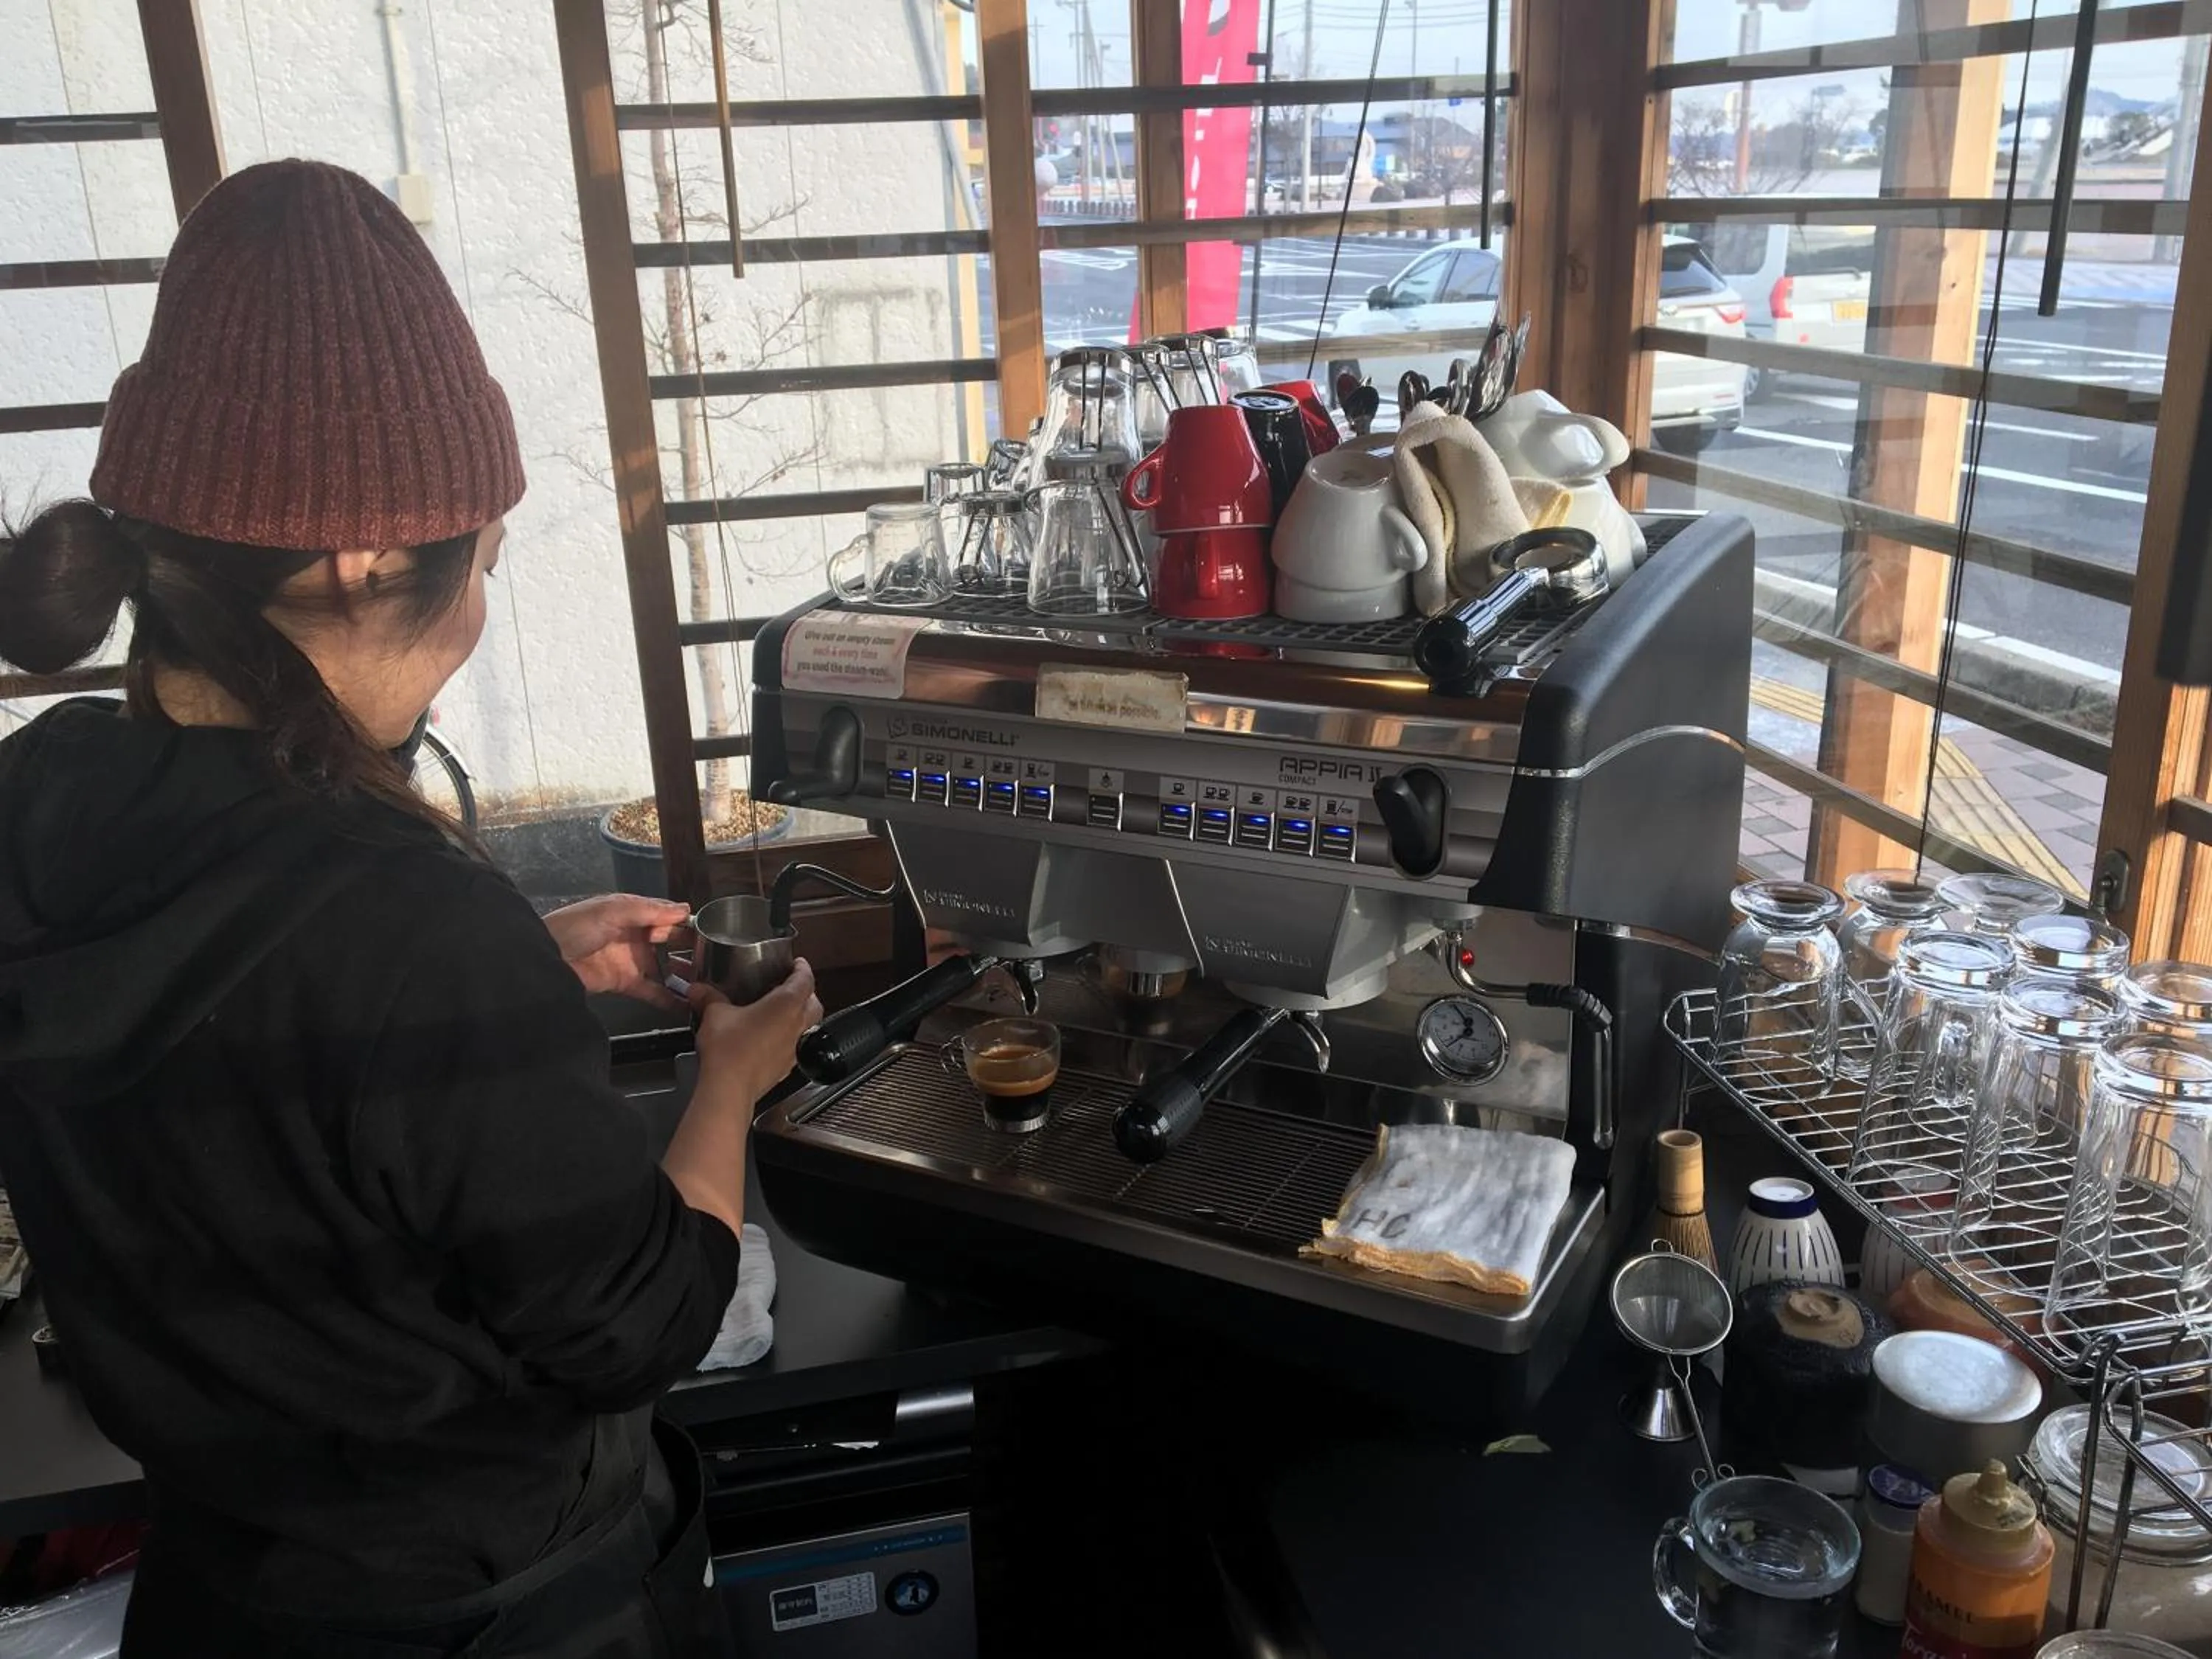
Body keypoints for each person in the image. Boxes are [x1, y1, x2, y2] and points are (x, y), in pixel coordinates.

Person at [0, 160, 819, 1655]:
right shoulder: (402, 928)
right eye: (483, 558)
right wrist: (730, 1082)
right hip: (486, 1621)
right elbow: (639, 1321)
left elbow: (269, 1053)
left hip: (222, 1606)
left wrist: (511, 968)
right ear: (365, 555)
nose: (480, 603)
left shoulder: (38, 797)